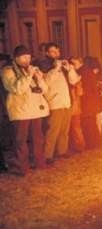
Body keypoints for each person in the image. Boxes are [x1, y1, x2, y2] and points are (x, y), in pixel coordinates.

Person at [1, 45, 50, 176]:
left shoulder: (31, 71)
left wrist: (39, 78)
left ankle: (39, 162)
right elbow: (17, 89)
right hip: (20, 112)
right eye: (23, 57)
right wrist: (29, 75)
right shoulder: (8, 71)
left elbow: (45, 90)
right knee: (20, 140)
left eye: (28, 57)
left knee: (38, 139)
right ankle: (23, 167)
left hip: (36, 110)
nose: (27, 60)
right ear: (16, 58)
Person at [39, 42, 80, 163]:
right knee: (53, 130)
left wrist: (70, 69)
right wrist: (56, 69)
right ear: (47, 53)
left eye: (57, 51)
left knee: (64, 130)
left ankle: (62, 151)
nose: (56, 54)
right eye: (52, 51)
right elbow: (47, 82)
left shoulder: (63, 65)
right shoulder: (44, 65)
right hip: (54, 102)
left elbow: (74, 81)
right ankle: (48, 155)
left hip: (66, 102)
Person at [78, 56, 102, 149]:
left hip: (85, 102)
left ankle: (90, 143)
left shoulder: (81, 71)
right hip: (92, 102)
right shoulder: (91, 72)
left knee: (87, 123)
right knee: (92, 123)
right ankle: (96, 142)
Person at [68, 56, 85, 153]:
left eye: (74, 64)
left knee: (76, 127)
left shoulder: (77, 78)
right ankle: (76, 145)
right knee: (73, 127)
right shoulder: (74, 76)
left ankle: (80, 146)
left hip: (74, 105)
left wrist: (74, 87)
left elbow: (80, 92)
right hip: (71, 104)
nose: (73, 66)